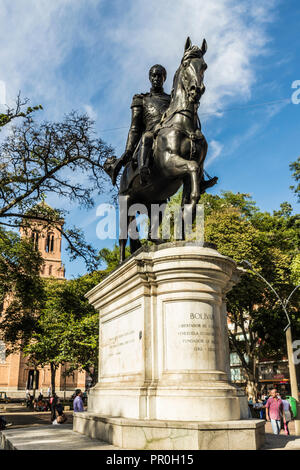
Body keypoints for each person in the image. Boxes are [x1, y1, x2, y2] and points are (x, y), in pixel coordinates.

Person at [108, 64, 171, 185]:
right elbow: (135, 128)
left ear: (164, 78)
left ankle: (199, 179)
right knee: (147, 137)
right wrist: (128, 150)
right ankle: (143, 169)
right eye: (154, 75)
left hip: (169, 133)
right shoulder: (141, 99)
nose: (156, 78)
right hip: (151, 134)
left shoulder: (171, 99)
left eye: (160, 76)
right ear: (150, 78)